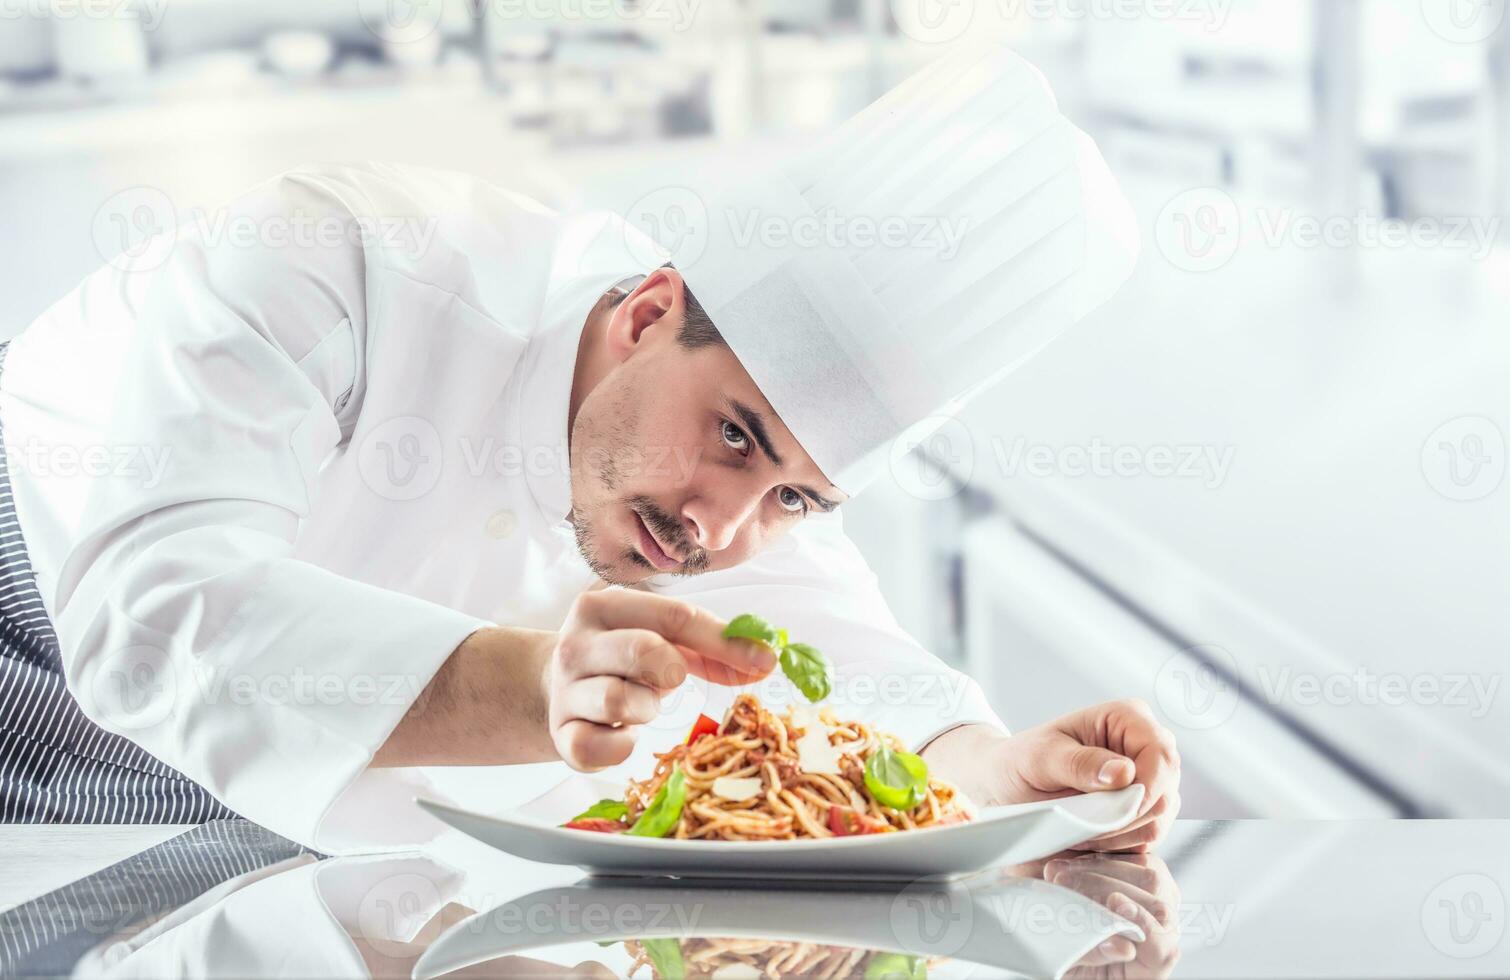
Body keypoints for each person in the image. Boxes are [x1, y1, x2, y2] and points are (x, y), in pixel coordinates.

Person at [0, 43, 1178, 851]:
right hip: (40, 612)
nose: (719, 529)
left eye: (795, 498)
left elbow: (847, 654)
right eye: (733, 436)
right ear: (650, 309)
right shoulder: (336, 257)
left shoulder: (735, 494)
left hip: (290, 733)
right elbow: (156, 610)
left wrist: (996, 770)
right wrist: (528, 683)